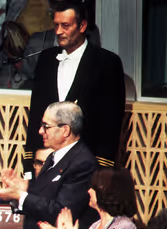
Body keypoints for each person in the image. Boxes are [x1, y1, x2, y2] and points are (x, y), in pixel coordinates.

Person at [24, 1, 125, 173]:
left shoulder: (107, 63)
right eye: (56, 25)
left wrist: (101, 170)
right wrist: (29, 164)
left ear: (82, 26)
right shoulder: (46, 60)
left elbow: (111, 122)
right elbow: (36, 114)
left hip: (85, 165)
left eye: (65, 26)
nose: (58, 32)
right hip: (47, 163)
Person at [0, 102, 97, 229]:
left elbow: (60, 211)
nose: (40, 131)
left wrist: (22, 196)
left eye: (45, 126)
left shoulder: (83, 163)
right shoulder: (53, 157)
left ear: (65, 130)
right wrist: (23, 188)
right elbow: (44, 196)